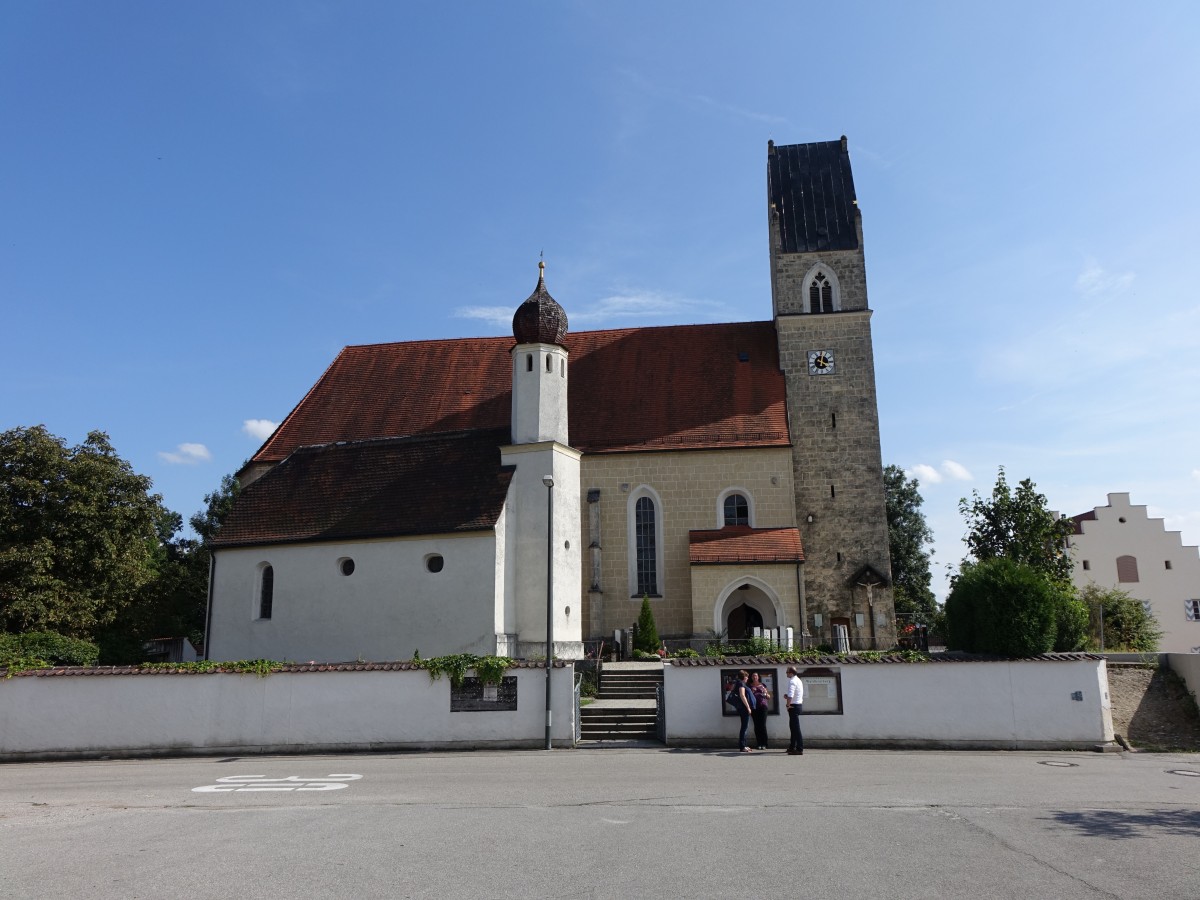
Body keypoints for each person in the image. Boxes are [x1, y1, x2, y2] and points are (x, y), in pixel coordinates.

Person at [731, 669, 755, 752]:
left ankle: (745, 745)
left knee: (745, 727)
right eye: (747, 677)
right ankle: (742, 746)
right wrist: (748, 707)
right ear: (744, 677)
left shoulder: (739, 683)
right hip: (743, 708)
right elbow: (742, 695)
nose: (747, 678)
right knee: (744, 727)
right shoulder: (741, 683)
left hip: (742, 708)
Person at [784, 666, 805, 755]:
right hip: (798, 704)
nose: (786, 673)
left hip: (793, 706)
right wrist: (788, 697)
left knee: (795, 728)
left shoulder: (792, 681)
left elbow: (791, 695)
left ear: (791, 673)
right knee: (793, 727)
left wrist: (788, 705)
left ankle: (799, 748)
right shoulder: (798, 680)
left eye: (787, 672)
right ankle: (792, 746)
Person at [749, 671, 771, 750]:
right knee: (756, 726)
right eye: (753, 676)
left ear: (758, 677)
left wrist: (766, 693)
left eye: (756, 676)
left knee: (763, 725)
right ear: (751, 678)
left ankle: (764, 743)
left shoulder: (763, 685)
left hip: (763, 707)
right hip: (754, 708)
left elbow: (768, 697)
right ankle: (759, 743)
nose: (755, 677)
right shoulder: (750, 686)